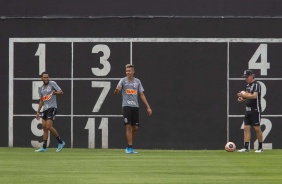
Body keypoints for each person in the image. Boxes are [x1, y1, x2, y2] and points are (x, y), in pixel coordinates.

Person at [114, 64, 152, 154]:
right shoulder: (123, 81)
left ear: (133, 71)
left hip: (135, 106)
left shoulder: (137, 81)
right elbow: (116, 93)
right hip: (126, 106)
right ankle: (130, 147)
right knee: (128, 126)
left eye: (129, 71)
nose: (127, 72)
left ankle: (129, 145)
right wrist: (116, 89)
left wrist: (148, 106)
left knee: (135, 128)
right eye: (126, 71)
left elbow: (141, 94)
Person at [35, 71, 65, 152]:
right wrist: (38, 111)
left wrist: (54, 92)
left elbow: (61, 92)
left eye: (47, 77)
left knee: (48, 126)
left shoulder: (52, 83)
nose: (46, 79)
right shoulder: (41, 88)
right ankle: (44, 147)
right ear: (41, 78)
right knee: (44, 128)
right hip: (45, 109)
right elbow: (41, 100)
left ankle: (60, 142)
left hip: (52, 108)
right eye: (44, 77)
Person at [237, 69, 263, 153]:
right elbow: (246, 97)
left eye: (247, 77)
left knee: (257, 128)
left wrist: (244, 95)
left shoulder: (256, 85)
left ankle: (260, 147)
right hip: (248, 110)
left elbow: (254, 96)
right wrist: (241, 98)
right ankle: (246, 147)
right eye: (245, 77)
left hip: (255, 109)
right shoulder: (247, 86)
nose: (246, 79)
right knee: (246, 128)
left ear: (252, 76)